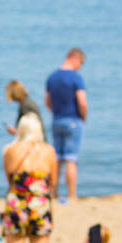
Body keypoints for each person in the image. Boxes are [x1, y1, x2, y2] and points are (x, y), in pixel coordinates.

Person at [1, 112, 58, 243]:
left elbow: (10, 179)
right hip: (40, 205)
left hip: (16, 204)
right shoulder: (49, 151)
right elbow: (52, 182)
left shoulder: (10, 151)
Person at [44, 48, 87, 201]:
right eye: (82, 62)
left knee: (57, 159)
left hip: (57, 119)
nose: (81, 66)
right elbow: (82, 102)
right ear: (75, 59)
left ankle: (53, 192)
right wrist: (84, 117)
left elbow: (47, 102)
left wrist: (56, 113)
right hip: (73, 120)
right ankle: (72, 194)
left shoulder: (52, 77)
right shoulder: (76, 78)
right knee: (71, 159)